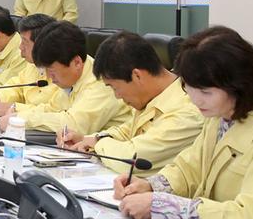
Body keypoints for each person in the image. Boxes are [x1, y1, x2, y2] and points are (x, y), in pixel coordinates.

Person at [116, 26, 253, 219]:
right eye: (189, 87)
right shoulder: (220, 118)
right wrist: (151, 186)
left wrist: (166, 207)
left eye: (206, 92)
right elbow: (189, 169)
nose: (195, 99)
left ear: (239, 86)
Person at [59, 31, 203, 176]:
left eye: (115, 87)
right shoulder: (151, 99)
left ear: (137, 76)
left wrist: (97, 144)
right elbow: (125, 132)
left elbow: (131, 159)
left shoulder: (186, 111)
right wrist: (87, 139)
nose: (117, 96)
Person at [2, 21, 130, 133]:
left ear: (76, 62)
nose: (50, 77)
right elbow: (52, 109)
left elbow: (74, 125)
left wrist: (22, 119)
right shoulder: (72, 81)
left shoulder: (103, 83)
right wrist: (18, 114)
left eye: (52, 70)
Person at [0, 13, 59, 117]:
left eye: (25, 42)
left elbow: (55, 110)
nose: (20, 47)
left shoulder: (63, 70)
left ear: (41, 44)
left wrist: (15, 108)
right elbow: (16, 87)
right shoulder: (33, 65)